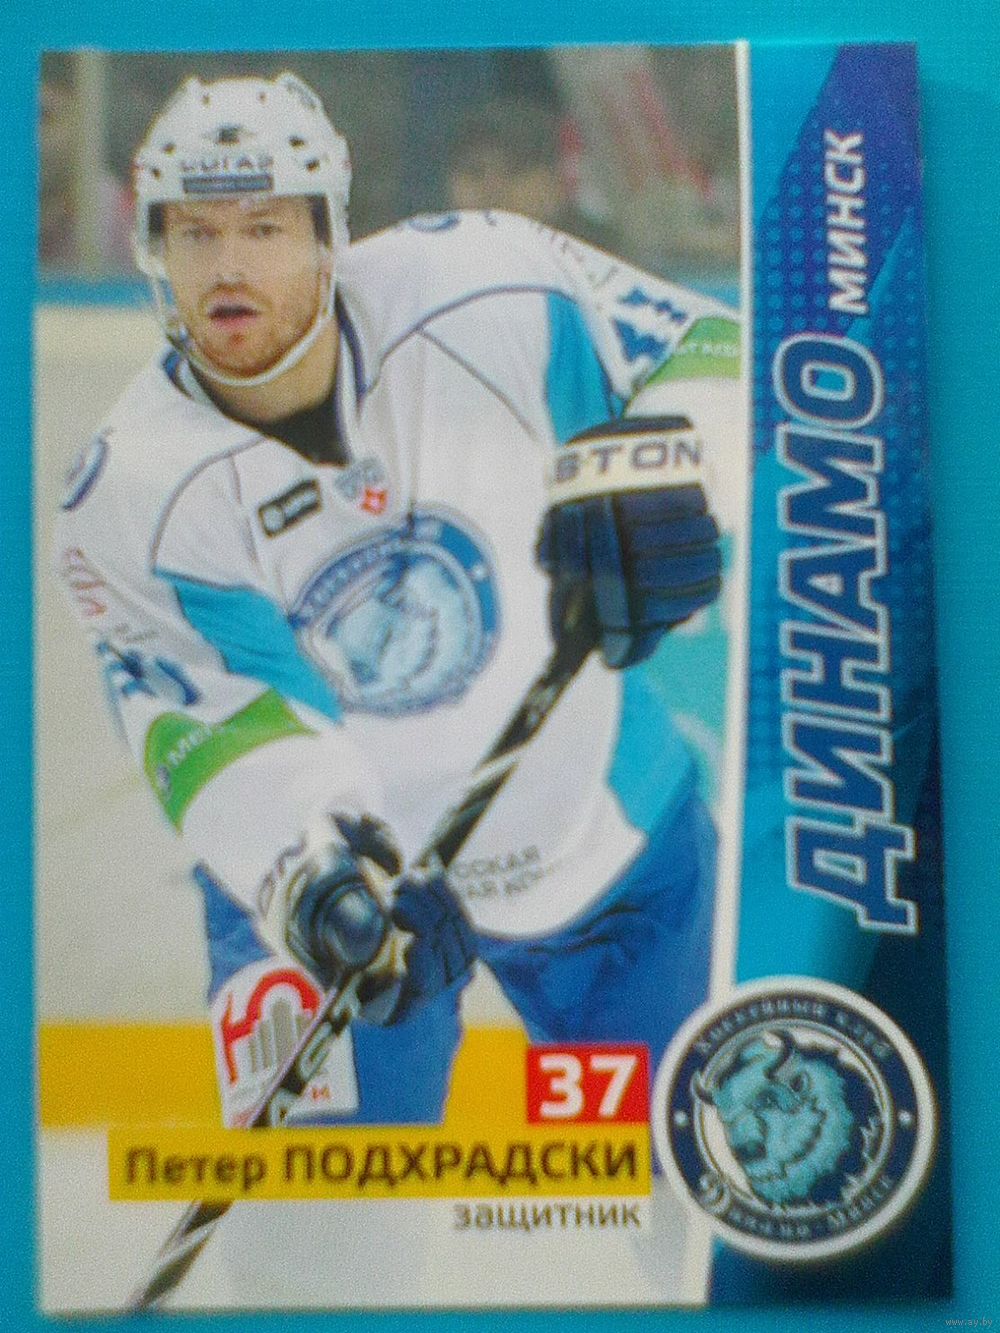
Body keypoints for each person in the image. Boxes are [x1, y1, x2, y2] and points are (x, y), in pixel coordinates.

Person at [55, 72, 740, 1145]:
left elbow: (714, 348)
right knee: (320, 1232)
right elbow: (211, 726)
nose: (227, 266)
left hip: (605, 837)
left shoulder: (488, 283)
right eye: (196, 232)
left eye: (264, 228)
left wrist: (673, 466)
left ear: (329, 233)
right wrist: (314, 883)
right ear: (154, 248)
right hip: (341, 901)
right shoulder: (128, 490)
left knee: (695, 1185)